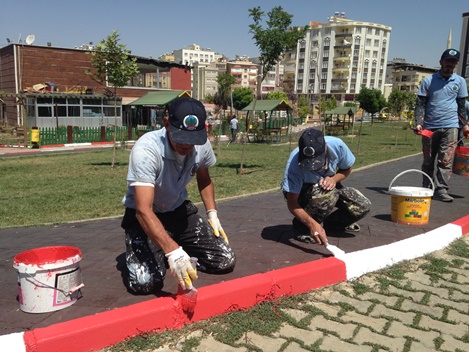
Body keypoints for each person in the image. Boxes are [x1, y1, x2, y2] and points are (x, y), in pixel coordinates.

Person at [121, 97, 236, 295]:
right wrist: (173, 252)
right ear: (166, 124)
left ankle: (172, 249)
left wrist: (212, 214)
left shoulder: (201, 144)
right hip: (146, 218)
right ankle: (167, 250)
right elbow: (142, 211)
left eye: (193, 140)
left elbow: (204, 178)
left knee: (224, 260)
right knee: (145, 283)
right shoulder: (146, 150)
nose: (187, 145)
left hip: (178, 211)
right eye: (181, 138)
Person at [280, 127, 371, 246]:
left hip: (331, 185)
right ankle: (302, 227)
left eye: (318, 162)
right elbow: (292, 202)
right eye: (309, 164)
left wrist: (333, 179)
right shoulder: (294, 164)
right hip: (303, 192)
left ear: (326, 148)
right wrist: (312, 224)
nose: (314, 167)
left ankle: (333, 224)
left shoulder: (337, 145)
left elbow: (347, 169)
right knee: (328, 194)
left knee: (362, 205)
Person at [414, 49, 468, 202]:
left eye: (453, 62)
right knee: (428, 160)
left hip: (451, 126)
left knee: (445, 160)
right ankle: (426, 188)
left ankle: (442, 189)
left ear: (456, 64)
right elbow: (420, 104)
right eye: (447, 61)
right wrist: (419, 123)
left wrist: (464, 126)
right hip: (429, 127)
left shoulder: (460, 82)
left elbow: (461, 105)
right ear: (441, 62)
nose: (450, 64)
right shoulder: (428, 81)